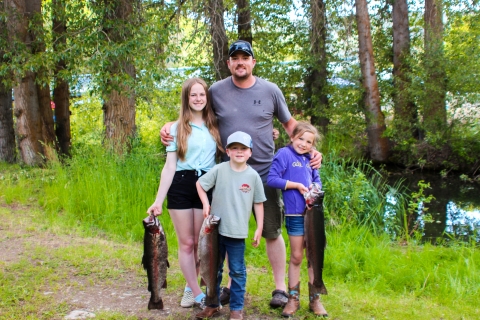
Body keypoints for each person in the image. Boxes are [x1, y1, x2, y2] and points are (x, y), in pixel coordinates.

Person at [161, 40, 322, 308]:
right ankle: (226, 286)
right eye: (235, 58)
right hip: (227, 174)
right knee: (223, 233)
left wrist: (311, 149)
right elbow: (196, 112)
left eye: (245, 58)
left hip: (266, 173)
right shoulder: (216, 91)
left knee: (271, 231)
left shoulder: (270, 90)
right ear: (229, 64)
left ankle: (280, 288)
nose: (240, 62)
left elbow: (291, 125)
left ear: (253, 62)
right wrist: (169, 126)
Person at [148, 78, 223, 310]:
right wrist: (158, 200)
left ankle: (191, 287)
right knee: (187, 243)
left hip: (207, 185)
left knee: (203, 243)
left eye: (202, 94)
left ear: (207, 98)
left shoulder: (215, 126)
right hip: (181, 183)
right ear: (186, 98)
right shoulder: (175, 128)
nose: (198, 99)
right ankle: (199, 294)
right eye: (193, 95)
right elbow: (169, 167)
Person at [195, 131, 265, 320]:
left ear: (250, 152)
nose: (239, 152)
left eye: (243, 148)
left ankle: (236, 309)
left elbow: (258, 203)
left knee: (237, 271)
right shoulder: (220, 170)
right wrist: (206, 203)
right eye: (235, 148)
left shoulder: (253, 176)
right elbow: (200, 185)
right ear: (227, 151)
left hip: (237, 233)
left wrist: (259, 228)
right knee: (213, 269)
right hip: (214, 232)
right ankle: (212, 304)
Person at [267, 121, 327, 317]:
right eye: (300, 138)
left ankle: (315, 299)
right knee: (297, 257)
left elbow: (316, 180)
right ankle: (293, 298)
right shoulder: (284, 154)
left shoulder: (311, 158)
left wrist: (315, 189)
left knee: (313, 256)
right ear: (292, 137)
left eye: (309, 142)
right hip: (294, 215)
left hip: (313, 214)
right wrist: (295, 185)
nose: (304, 144)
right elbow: (272, 179)